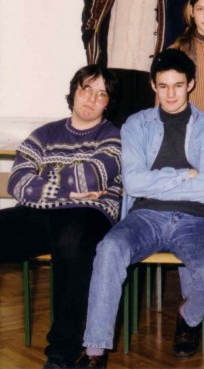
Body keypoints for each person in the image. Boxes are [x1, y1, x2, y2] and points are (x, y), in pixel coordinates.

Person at [79, 49, 204, 367]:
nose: (170, 94)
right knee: (109, 248)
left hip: (194, 219)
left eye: (178, 85)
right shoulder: (136, 124)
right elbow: (134, 184)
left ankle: (187, 316)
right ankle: (94, 351)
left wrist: (158, 179)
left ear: (191, 84)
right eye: (163, 86)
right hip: (145, 216)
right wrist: (184, 174)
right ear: (153, 85)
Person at [0, 66, 121, 368]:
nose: (92, 99)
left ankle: (61, 356)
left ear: (108, 103)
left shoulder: (113, 136)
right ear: (73, 92)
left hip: (90, 214)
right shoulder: (44, 134)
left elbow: (93, 177)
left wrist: (45, 179)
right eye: (86, 89)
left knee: (72, 244)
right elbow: (17, 182)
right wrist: (68, 189)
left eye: (101, 94)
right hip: (41, 213)